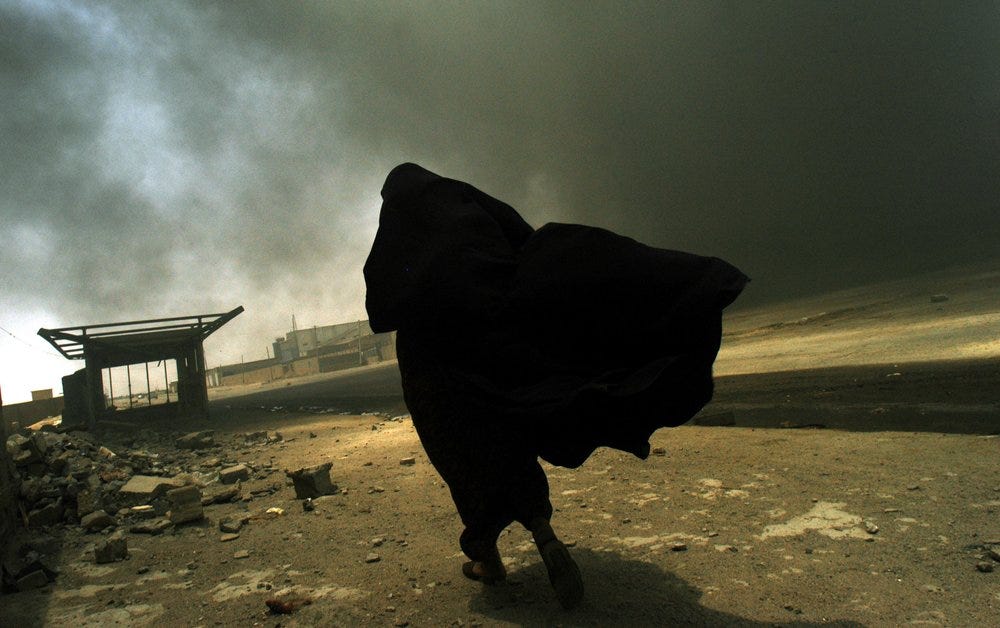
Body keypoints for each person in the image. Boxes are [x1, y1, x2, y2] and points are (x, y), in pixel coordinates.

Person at [364, 163, 747, 609]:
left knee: (466, 458)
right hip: (502, 349)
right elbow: (522, 237)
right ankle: (540, 528)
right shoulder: (471, 206)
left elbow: (380, 309)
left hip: (441, 370)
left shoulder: (400, 239)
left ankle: (486, 552)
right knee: (512, 435)